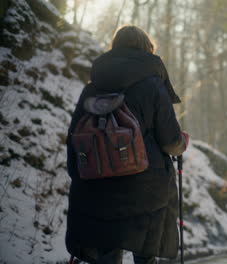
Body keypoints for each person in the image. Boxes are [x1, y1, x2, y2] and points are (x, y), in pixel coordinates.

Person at [65, 25, 188, 264]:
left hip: (96, 190)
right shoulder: (153, 86)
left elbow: (74, 140)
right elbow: (171, 141)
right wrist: (182, 143)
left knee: (106, 252)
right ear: (147, 49)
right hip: (145, 190)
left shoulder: (92, 88)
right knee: (145, 253)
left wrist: (80, 179)